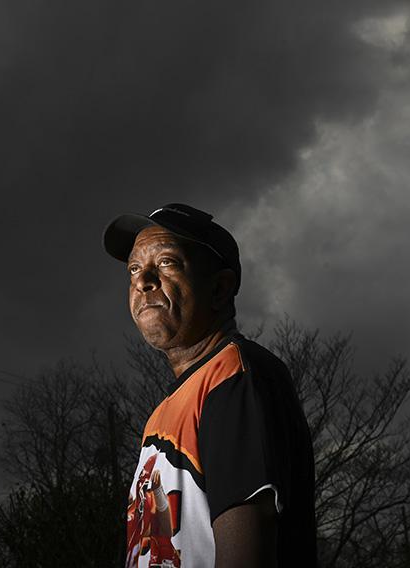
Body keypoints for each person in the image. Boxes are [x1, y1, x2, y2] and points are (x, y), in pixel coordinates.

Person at [103, 203, 318, 567]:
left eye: (167, 262)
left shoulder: (234, 375)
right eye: (135, 269)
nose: (142, 280)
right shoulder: (164, 410)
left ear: (220, 289)